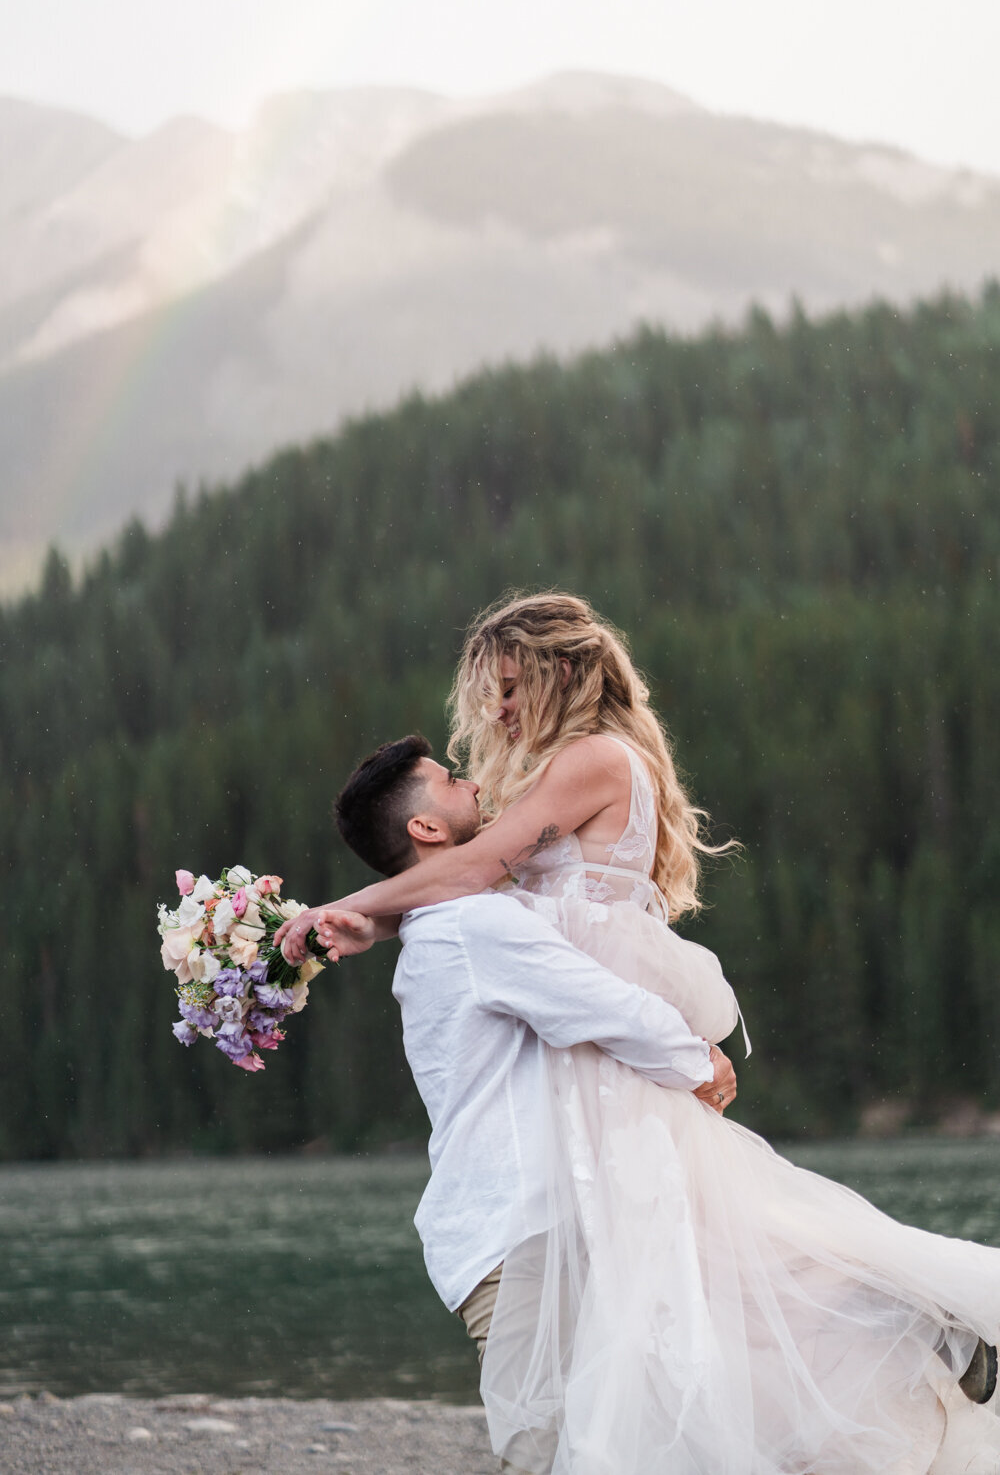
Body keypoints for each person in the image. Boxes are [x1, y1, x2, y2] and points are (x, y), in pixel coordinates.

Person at [279, 593, 1000, 1475]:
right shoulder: (554, 791)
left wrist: (341, 912)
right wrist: (379, 926)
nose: (498, 713)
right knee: (709, 1258)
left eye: (510, 688)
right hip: (585, 1041)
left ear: (565, 672)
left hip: (599, 1043)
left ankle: (906, 1317)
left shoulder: (588, 759)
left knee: (705, 1257)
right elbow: (473, 896)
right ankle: (901, 1324)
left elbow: (473, 873)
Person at [328, 732, 736, 1475]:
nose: (475, 787)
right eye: (451, 782)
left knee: (590, 1442)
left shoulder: (447, 922)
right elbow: (601, 1005)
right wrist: (696, 1058)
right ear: (425, 829)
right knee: (542, 1449)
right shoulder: (473, 925)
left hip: (506, 1228)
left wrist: (371, 919)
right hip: (512, 1234)